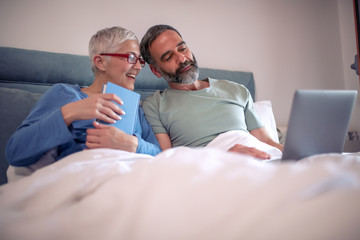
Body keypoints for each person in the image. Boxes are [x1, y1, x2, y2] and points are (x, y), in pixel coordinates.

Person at [6, 26, 161, 167]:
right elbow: (15, 152)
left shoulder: (136, 109)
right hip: (83, 177)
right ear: (100, 62)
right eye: (131, 58)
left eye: (140, 60)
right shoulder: (65, 94)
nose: (139, 66)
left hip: (131, 177)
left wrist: (133, 144)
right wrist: (68, 112)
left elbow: (161, 155)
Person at [140, 24, 283, 159]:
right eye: (168, 57)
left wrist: (300, 153)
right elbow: (166, 159)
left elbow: (266, 142)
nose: (181, 58)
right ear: (155, 70)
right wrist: (224, 157)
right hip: (213, 170)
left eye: (182, 48)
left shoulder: (237, 90)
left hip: (263, 158)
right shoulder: (155, 104)